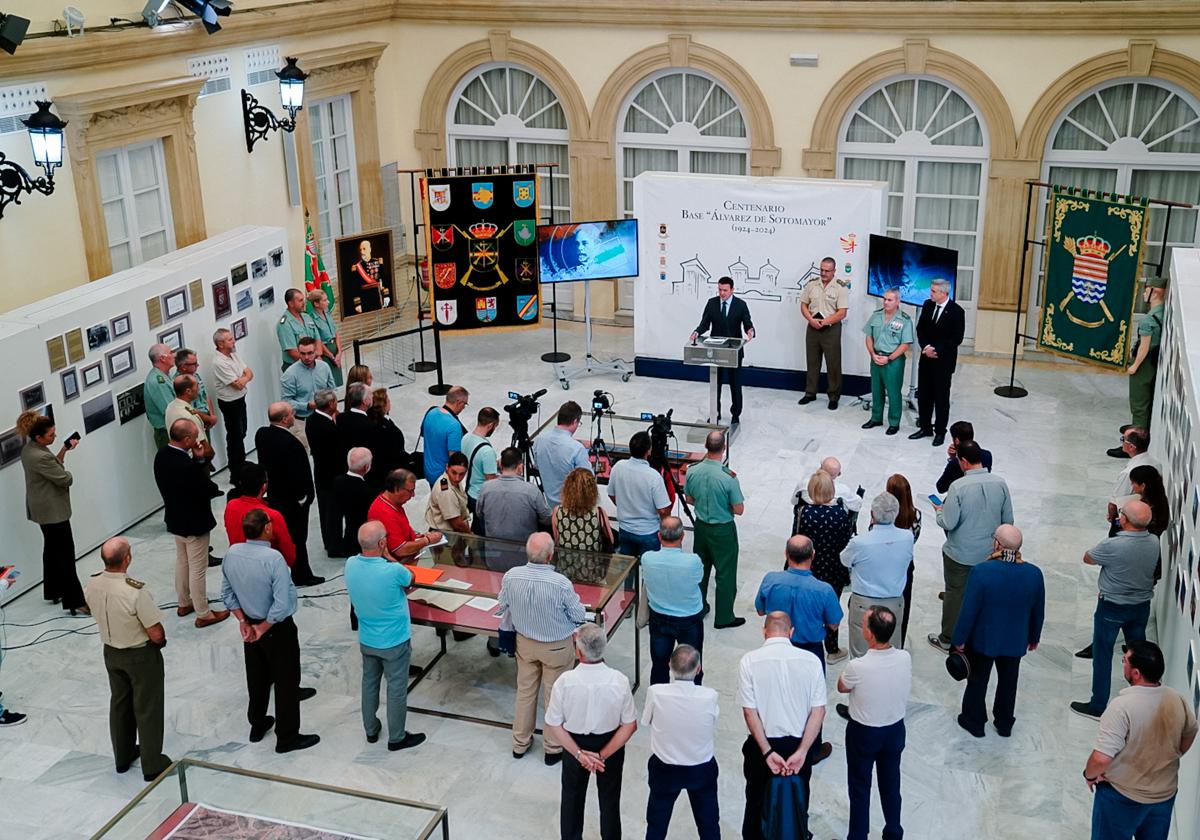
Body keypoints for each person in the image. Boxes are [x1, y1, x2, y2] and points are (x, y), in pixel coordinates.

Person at [222, 509, 320, 753]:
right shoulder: (273, 558)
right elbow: (281, 603)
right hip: (275, 628)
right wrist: (263, 627)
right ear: (266, 528)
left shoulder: (231, 553)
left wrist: (245, 623)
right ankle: (287, 737)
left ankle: (257, 723)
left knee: (256, 677)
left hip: (250, 625)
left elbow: (227, 594)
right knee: (286, 681)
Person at [1083, 641, 1196, 840]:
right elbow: (1190, 732)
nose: (1123, 664)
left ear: (1136, 673)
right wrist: (1171, 756)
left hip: (1121, 798)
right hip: (1164, 796)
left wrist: (1090, 774)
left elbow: (1101, 759)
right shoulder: (1176, 698)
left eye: (1125, 661)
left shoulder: (1121, 707)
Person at [84, 537, 171, 782]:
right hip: (139, 654)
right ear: (127, 559)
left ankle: (122, 756)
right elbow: (155, 632)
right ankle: (153, 763)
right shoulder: (134, 591)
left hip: (111, 652)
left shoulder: (93, 584)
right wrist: (160, 643)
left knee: (120, 703)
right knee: (148, 707)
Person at [544, 623, 638, 840]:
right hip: (611, 744)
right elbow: (630, 725)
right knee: (610, 800)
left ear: (578, 651)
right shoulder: (619, 681)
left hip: (573, 744)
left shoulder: (565, 682)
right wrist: (602, 756)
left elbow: (554, 723)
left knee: (571, 800)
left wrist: (580, 755)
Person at [498, 532, 586, 763]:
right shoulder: (560, 583)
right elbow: (578, 615)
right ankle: (553, 747)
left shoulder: (511, 576)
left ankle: (520, 743)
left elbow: (502, 603)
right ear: (550, 556)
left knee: (525, 693)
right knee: (554, 696)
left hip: (525, 643)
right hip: (556, 647)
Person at [739, 611, 827, 840]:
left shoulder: (749, 660)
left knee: (756, 803)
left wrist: (767, 752)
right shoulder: (812, 661)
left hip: (762, 746)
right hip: (798, 744)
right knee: (797, 802)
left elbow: (750, 712)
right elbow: (818, 711)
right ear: (791, 632)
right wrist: (803, 751)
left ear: (764, 632)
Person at [951, 525, 1045, 737]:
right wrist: (1034, 637)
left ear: (997, 545)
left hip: (984, 639)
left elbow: (968, 611)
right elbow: (1038, 609)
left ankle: (974, 721)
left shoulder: (982, 571)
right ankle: (1004, 723)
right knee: (1009, 683)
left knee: (977, 681)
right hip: (1015, 639)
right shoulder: (1034, 574)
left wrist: (959, 639)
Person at [1071, 500, 1160, 719]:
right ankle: (1146, 704)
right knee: (1140, 654)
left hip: (1112, 606)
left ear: (1124, 520)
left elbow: (1088, 558)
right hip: (1140, 606)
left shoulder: (1113, 545)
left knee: (1102, 654)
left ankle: (1098, 705)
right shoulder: (1154, 541)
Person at [345, 521, 426, 751]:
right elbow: (410, 578)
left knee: (369, 683)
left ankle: (371, 729)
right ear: (382, 543)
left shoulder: (350, 564)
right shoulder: (392, 570)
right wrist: (389, 556)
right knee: (396, 688)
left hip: (367, 638)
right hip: (394, 640)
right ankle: (397, 737)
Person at [929, 440, 1013, 652]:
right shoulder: (1000, 483)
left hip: (960, 554)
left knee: (955, 594)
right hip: (990, 554)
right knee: (983, 594)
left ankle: (948, 638)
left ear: (964, 462)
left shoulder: (957, 487)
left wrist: (939, 510)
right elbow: (1008, 521)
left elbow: (948, 522)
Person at [836, 606, 910, 840]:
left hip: (864, 733)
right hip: (895, 730)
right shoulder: (904, 658)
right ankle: (893, 831)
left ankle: (858, 836)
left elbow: (841, 686)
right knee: (891, 784)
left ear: (869, 634)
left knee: (859, 787)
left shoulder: (858, 666)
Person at [153, 419, 229, 628]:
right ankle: (203, 613)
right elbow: (206, 487)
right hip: (194, 521)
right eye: (195, 436)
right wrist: (201, 462)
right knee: (198, 568)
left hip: (175, 518)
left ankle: (184, 602)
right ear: (186, 439)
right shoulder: (185, 465)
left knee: (182, 561)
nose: (197, 440)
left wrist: (196, 461)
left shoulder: (161, 456)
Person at [642, 644, 720, 840]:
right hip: (701, 768)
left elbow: (646, 721)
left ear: (669, 665)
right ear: (698, 669)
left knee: (656, 825)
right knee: (709, 824)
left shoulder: (656, 692)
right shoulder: (710, 696)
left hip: (665, 768)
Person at [17, 410, 87, 614]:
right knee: (65, 554)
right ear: (39, 437)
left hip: (42, 509)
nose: (54, 437)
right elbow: (65, 479)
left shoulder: (30, 449)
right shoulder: (40, 456)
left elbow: (52, 466)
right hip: (53, 511)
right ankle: (75, 601)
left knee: (51, 550)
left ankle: (53, 590)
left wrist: (64, 450)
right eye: (51, 435)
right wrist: (68, 472)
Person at [254, 403, 323, 586]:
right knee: (298, 537)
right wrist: (305, 498)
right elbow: (300, 475)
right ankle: (302, 574)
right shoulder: (292, 444)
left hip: (274, 495)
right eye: (292, 413)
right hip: (292, 500)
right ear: (285, 419)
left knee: (285, 536)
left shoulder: (262, 434)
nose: (294, 416)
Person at [684, 430, 745, 629]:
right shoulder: (729, 478)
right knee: (725, 573)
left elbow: (689, 499)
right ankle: (724, 617)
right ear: (724, 448)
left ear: (706, 446)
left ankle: (698, 608)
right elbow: (739, 509)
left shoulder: (692, 471)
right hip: (723, 530)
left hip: (701, 528)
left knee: (701, 570)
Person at [840, 492, 912, 661]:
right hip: (894, 602)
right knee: (891, 654)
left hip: (864, 604)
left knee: (860, 656)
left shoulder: (860, 542)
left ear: (872, 515)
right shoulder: (907, 537)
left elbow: (844, 560)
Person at [755, 535, 843, 669]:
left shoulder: (770, 580)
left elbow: (760, 611)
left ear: (786, 554)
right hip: (810, 650)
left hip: (776, 646)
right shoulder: (824, 590)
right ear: (813, 555)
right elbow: (834, 624)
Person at [794, 470, 854, 660]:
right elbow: (846, 543)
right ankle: (832, 649)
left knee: (807, 604)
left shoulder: (804, 513)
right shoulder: (840, 515)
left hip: (809, 566)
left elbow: (797, 538)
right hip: (833, 568)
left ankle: (806, 639)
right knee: (830, 607)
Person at [641, 517, 705, 686]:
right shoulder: (693, 561)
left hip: (659, 617)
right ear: (682, 536)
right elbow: (699, 578)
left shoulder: (647, 558)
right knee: (692, 666)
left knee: (659, 666)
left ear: (659, 536)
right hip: (689, 619)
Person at [689, 275, 755, 423]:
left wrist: (750, 331)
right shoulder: (712, 303)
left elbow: (747, 323)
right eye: (720, 290)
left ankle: (736, 414)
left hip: (734, 351)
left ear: (732, 290)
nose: (722, 293)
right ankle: (715, 412)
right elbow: (704, 324)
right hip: (716, 350)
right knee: (715, 383)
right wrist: (697, 332)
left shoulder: (741, 305)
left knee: (735, 384)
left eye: (725, 290)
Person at [910, 278, 966, 446]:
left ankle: (940, 431)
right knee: (924, 395)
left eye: (934, 291)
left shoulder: (957, 311)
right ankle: (925, 427)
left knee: (941, 398)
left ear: (944, 293)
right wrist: (926, 347)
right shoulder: (927, 305)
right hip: (926, 359)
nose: (930, 294)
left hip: (943, 362)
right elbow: (920, 329)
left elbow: (956, 338)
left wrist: (937, 350)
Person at [1118, 276, 1167, 444]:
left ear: (1155, 292)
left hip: (1144, 364)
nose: (1144, 293)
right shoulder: (1163, 314)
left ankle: (1134, 441)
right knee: (1146, 403)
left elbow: (1144, 347)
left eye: (1147, 289)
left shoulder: (1148, 320)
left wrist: (1134, 366)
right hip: (1154, 363)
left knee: (1139, 404)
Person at [606, 431, 670, 557]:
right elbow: (663, 510)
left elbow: (611, 494)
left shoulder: (618, 467)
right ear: (648, 451)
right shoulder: (653, 476)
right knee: (649, 571)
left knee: (627, 570)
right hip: (649, 532)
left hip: (625, 529)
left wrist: (626, 507)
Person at [798, 256, 849, 410]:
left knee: (833, 363)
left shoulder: (841, 288)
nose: (823, 273)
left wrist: (824, 322)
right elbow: (803, 305)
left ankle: (833, 396)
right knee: (812, 361)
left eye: (827, 270)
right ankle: (810, 392)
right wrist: (811, 320)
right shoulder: (812, 284)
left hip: (831, 329)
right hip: (813, 327)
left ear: (834, 271)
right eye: (821, 270)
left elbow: (842, 313)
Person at [861, 287, 914, 435]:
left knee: (893, 392)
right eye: (884, 299)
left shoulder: (904, 319)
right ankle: (876, 418)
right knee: (876, 390)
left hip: (893, 360)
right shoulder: (876, 315)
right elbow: (868, 336)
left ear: (898, 301)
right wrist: (872, 353)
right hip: (876, 358)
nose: (886, 302)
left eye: (890, 300)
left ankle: (894, 422)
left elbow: (905, 344)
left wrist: (889, 358)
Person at [223, 462, 296, 567]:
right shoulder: (272, 515)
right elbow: (289, 554)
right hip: (267, 569)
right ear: (263, 486)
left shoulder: (231, 506)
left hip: (239, 565)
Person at [476, 446, 551, 543]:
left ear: (501, 465)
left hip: (493, 551)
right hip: (524, 552)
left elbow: (479, 513)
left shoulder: (485, 488)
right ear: (520, 467)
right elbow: (546, 518)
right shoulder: (532, 491)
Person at [367, 469, 442, 559]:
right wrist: (427, 540)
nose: (413, 495)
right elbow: (400, 550)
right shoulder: (384, 512)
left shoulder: (394, 503)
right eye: (410, 491)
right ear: (396, 488)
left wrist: (421, 536)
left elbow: (402, 531)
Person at [210, 327, 254, 476]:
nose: (233, 340)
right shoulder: (219, 362)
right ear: (220, 344)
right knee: (235, 434)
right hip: (230, 402)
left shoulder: (233, 354)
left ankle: (240, 461)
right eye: (230, 339)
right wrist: (243, 378)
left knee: (242, 431)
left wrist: (243, 378)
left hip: (240, 398)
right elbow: (237, 385)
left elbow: (249, 372)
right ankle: (236, 468)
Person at [886, 473, 922, 647]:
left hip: (886, 564)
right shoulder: (916, 515)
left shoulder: (882, 516)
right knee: (904, 603)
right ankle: (899, 640)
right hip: (906, 563)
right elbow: (914, 539)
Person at [532, 400, 591, 505]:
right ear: (575, 421)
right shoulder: (577, 449)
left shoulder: (539, 439)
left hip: (549, 505)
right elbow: (588, 480)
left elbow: (536, 465)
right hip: (571, 508)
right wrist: (585, 450)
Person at [306, 389, 343, 556]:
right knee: (333, 513)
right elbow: (337, 454)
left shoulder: (312, 420)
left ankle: (329, 542)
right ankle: (334, 546)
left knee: (325, 511)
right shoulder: (328, 428)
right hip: (332, 476)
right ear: (331, 404)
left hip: (321, 473)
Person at [281, 336, 335, 445]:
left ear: (316, 351)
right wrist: (307, 405)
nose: (306, 357)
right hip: (302, 421)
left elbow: (332, 390)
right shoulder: (290, 374)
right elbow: (286, 401)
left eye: (310, 353)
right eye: (302, 353)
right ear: (298, 352)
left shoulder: (324, 367)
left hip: (324, 417)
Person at [1107, 428, 1160, 530]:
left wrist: (1113, 518)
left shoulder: (1128, 473)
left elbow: (1114, 504)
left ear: (1131, 447)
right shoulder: (1157, 464)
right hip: (1147, 518)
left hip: (1127, 522)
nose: (1121, 442)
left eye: (1123, 439)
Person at [791, 455, 864, 528]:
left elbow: (794, 501)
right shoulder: (843, 491)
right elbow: (857, 505)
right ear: (836, 475)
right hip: (833, 526)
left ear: (820, 469)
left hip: (806, 524)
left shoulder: (804, 484)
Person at [552, 467, 614, 551]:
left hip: (566, 562)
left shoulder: (557, 512)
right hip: (593, 562)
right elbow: (611, 540)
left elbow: (557, 540)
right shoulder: (598, 513)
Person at [421, 385, 468, 487]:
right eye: (464, 404)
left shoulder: (431, 413)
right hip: (444, 478)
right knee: (446, 502)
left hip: (429, 471)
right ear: (459, 403)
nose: (463, 408)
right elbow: (454, 460)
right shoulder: (454, 426)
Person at [335, 447, 376, 556]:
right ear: (366, 467)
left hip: (348, 539)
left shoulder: (337, 481)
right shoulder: (366, 490)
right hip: (363, 541)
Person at [366, 388, 408, 493]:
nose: (390, 402)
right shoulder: (387, 428)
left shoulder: (370, 421)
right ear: (383, 405)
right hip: (387, 473)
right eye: (388, 400)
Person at [935, 420, 994, 494]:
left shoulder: (955, 464)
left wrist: (953, 459)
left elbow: (941, 488)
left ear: (956, 440)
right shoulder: (987, 455)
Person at [462, 406, 500, 513]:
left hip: (469, 491)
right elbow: (490, 480)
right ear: (490, 425)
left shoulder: (466, 438)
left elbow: (475, 462)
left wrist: (494, 463)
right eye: (495, 426)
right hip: (481, 497)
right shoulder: (487, 451)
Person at [174, 348, 217, 444]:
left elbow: (205, 396)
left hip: (205, 421)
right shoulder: (178, 383)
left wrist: (211, 415)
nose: (197, 365)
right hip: (193, 424)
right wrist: (207, 419)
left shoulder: (196, 376)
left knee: (208, 451)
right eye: (194, 364)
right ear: (183, 366)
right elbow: (188, 409)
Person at [164, 374, 210, 463]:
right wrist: (208, 459)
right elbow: (201, 443)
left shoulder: (171, 406)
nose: (198, 389)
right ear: (188, 391)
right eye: (196, 386)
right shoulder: (188, 416)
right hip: (195, 459)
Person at [276, 288, 322, 372]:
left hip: (313, 363)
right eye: (300, 300)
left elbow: (317, 339)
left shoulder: (306, 317)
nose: (304, 303)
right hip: (296, 367)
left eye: (303, 300)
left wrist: (318, 357)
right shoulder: (285, 324)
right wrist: (312, 361)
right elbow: (293, 352)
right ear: (291, 303)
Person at [426, 451, 471, 533]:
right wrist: (470, 536)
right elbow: (457, 524)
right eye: (454, 473)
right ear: (447, 467)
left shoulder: (452, 481)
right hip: (445, 535)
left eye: (461, 474)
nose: (457, 478)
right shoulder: (446, 491)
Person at [143, 343, 177, 450]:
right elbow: (170, 411)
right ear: (162, 358)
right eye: (171, 353)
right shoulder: (158, 382)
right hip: (168, 433)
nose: (174, 355)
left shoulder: (164, 375)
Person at [307, 288, 343, 386]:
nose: (328, 302)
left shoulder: (327, 313)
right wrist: (331, 356)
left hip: (335, 349)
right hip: (325, 352)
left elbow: (336, 333)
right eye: (324, 300)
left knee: (338, 383)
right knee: (329, 383)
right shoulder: (311, 318)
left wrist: (339, 352)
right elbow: (317, 340)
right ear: (316, 304)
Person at [338, 381, 376, 464]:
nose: (373, 396)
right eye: (370, 395)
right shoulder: (370, 426)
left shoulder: (340, 418)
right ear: (365, 401)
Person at [1128, 465, 1168, 539]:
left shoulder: (1145, 508)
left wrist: (1116, 521)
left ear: (1143, 485)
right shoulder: (1160, 500)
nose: (1132, 485)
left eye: (1133, 483)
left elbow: (1128, 525)